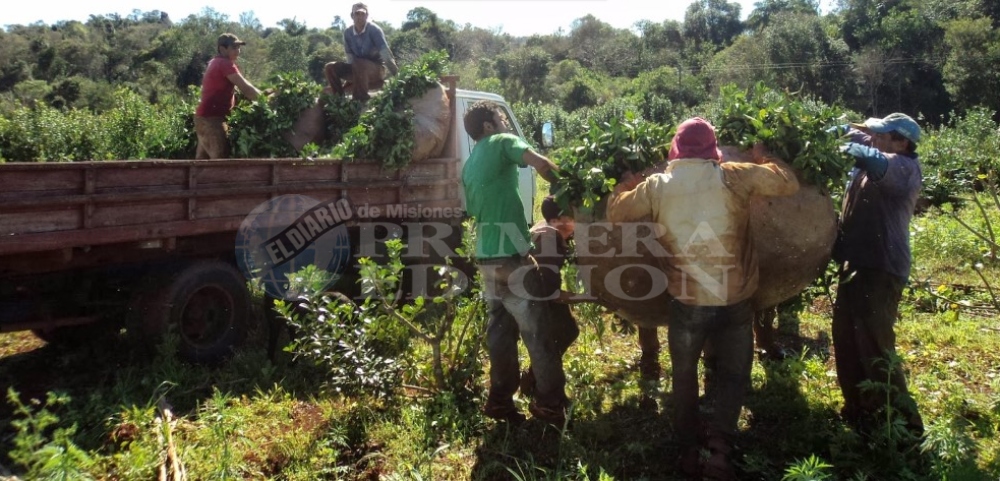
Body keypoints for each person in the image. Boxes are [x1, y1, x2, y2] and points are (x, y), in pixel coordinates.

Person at [607, 117, 799, 479]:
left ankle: (687, 449)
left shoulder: (657, 186)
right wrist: (765, 157)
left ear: (676, 149)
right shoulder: (734, 175)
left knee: (684, 375)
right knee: (734, 373)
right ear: (713, 148)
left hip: (687, 301)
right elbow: (788, 185)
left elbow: (616, 213)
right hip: (735, 298)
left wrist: (624, 185)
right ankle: (721, 446)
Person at [460, 100, 568, 426]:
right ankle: (549, 405)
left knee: (501, 334)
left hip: (486, 258)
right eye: (501, 117)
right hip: (512, 257)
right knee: (538, 334)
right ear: (489, 126)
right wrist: (570, 186)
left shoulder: (470, 163)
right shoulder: (502, 142)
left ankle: (500, 401)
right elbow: (541, 163)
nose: (505, 122)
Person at [831, 113, 924, 438]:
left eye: (883, 135)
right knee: (845, 338)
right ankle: (859, 411)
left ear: (902, 143)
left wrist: (844, 140)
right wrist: (827, 128)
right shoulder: (877, 149)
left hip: (881, 268)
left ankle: (904, 428)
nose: (874, 138)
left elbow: (864, 153)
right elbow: (850, 137)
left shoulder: (903, 168)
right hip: (854, 264)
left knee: (875, 345)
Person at [519, 196, 580, 398]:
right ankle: (540, 387)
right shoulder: (549, 238)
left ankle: (535, 378)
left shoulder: (548, 229)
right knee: (561, 333)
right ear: (559, 219)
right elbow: (551, 293)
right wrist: (588, 297)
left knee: (567, 330)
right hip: (535, 295)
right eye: (573, 215)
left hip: (535, 291)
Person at [194, 33, 262, 160]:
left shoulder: (215, 62)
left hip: (204, 118)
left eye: (239, 47)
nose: (238, 51)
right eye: (234, 48)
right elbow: (246, 88)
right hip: (212, 120)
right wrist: (266, 101)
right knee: (221, 162)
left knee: (201, 162)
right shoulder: (224, 64)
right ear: (222, 49)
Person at [324, 3, 399, 102]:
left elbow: (386, 55)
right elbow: (350, 59)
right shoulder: (348, 33)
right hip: (358, 68)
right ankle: (339, 99)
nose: (360, 17)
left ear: (367, 16)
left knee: (359, 63)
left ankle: (360, 99)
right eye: (357, 14)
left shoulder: (374, 30)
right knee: (330, 67)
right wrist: (349, 80)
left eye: (363, 14)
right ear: (352, 16)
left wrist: (398, 76)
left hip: (376, 70)